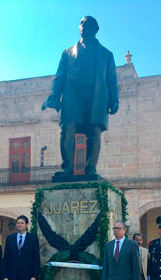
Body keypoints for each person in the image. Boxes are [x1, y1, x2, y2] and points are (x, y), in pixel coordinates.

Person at [42, 15, 119, 177]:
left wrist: (115, 100)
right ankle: (67, 167)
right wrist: (54, 95)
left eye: (88, 23)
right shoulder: (68, 53)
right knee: (67, 127)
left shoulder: (106, 54)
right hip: (72, 94)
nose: (83, 25)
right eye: (81, 23)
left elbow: (112, 80)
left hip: (97, 95)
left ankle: (91, 168)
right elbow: (60, 77)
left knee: (94, 131)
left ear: (95, 29)